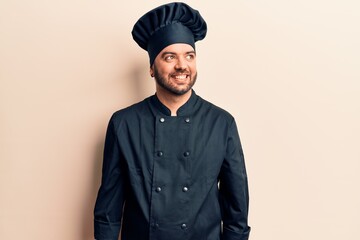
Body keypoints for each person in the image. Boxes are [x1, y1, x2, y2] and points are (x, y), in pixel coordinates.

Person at [94, 2, 251, 240]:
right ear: (151, 68)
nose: (182, 65)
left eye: (189, 56)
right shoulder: (124, 124)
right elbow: (109, 207)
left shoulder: (221, 123)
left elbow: (236, 208)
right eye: (170, 56)